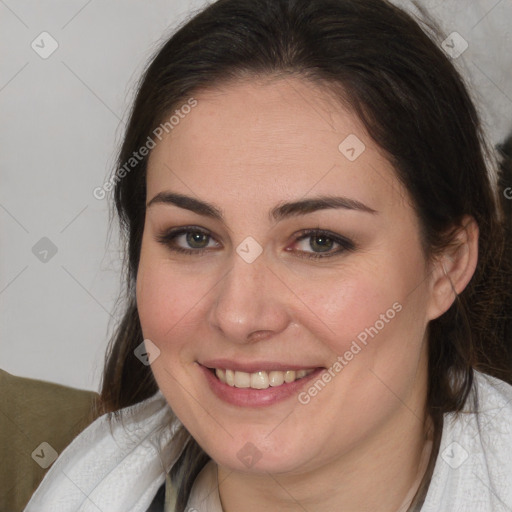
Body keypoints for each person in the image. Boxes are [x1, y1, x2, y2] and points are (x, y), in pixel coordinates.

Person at [23, 0, 512, 511]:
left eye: (319, 241)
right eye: (194, 237)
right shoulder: (77, 491)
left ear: (447, 265)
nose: (238, 315)